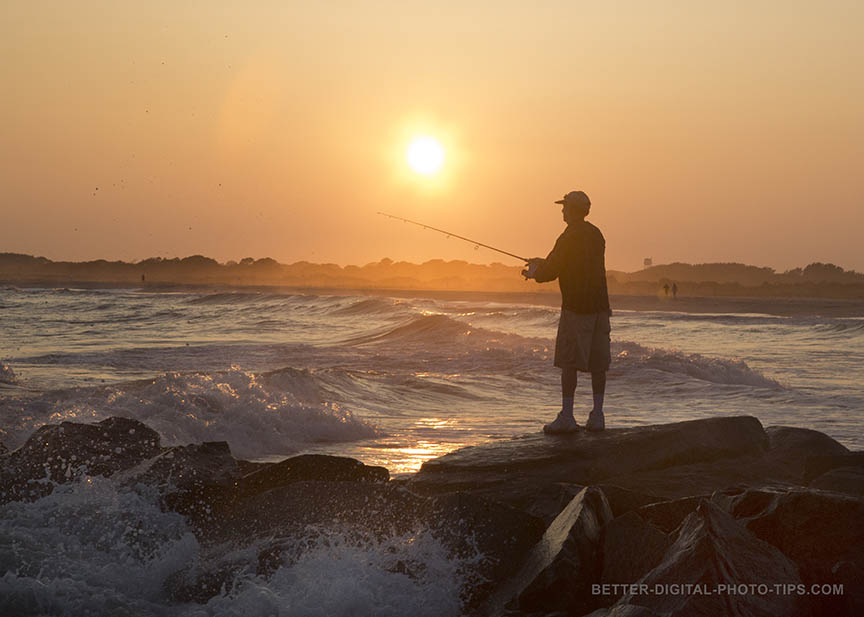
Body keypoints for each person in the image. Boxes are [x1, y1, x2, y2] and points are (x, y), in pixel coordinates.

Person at [522, 190, 611, 433]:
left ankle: (567, 417)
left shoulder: (568, 236)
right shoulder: (596, 234)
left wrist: (533, 273)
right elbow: (568, 263)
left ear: (572, 210)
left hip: (576, 307)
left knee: (569, 361)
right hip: (601, 307)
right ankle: (598, 415)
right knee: (598, 364)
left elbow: (552, 270)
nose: (562, 210)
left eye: (564, 207)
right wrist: (544, 262)